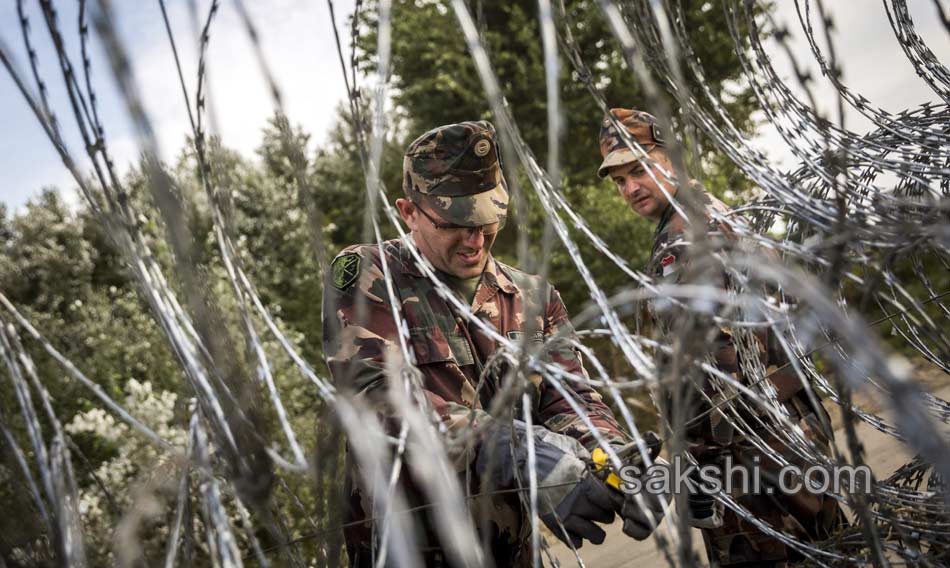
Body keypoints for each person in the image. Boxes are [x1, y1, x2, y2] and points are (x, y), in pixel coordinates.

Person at [323, 120, 666, 567]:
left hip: (509, 548)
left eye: (490, 220)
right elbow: (377, 398)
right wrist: (518, 453)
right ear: (409, 212)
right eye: (456, 223)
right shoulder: (368, 276)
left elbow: (568, 398)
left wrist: (609, 457)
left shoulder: (532, 296)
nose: (476, 239)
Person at [597, 108, 845, 567]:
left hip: (752, 462)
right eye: (619, 180)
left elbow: (719, 384)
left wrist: (675, 466)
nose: (630, 188)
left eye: (638, 169)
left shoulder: (691, 240)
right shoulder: (709, 218)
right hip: (782, 439)